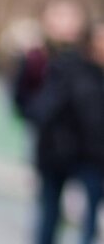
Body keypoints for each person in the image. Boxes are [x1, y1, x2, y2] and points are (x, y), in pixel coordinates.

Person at [25, 19, 104, 244]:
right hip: (60, 156)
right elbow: (41, 109)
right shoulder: (69, 69)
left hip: (94, 158)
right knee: (50, 215)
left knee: (91, 219)